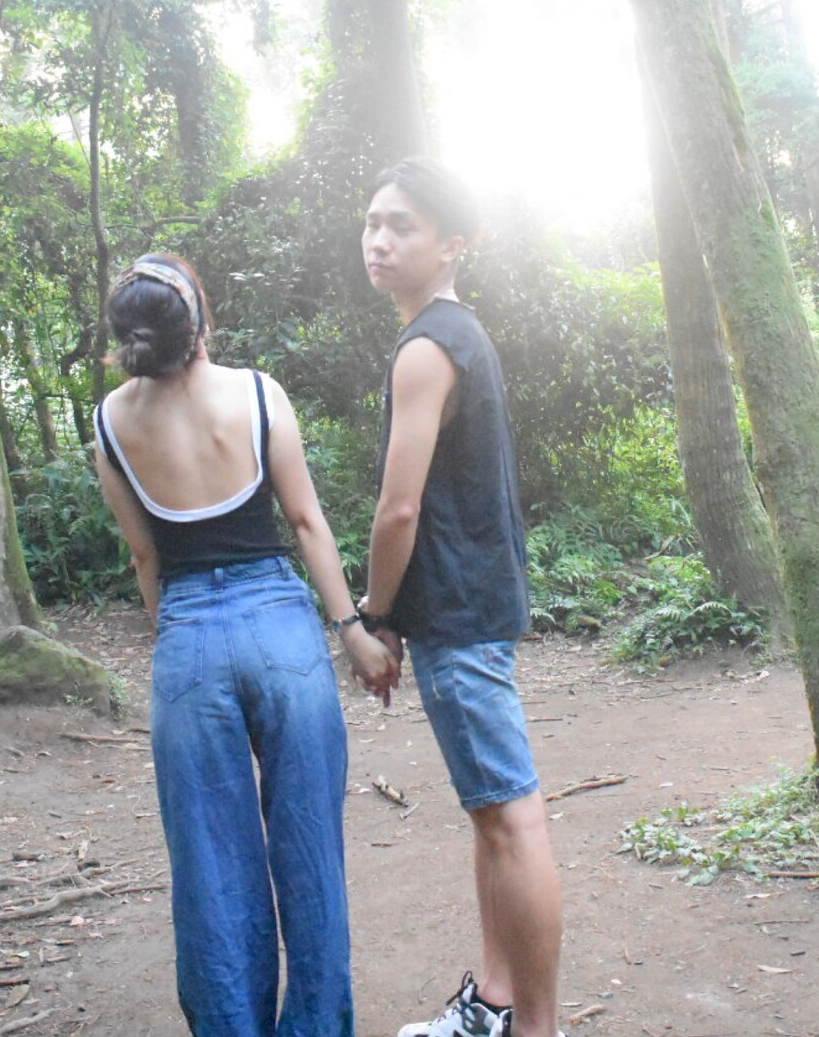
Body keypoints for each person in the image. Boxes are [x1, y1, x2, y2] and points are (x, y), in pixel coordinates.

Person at [93, 253, 399, 1037]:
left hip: (190, 636)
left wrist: (177, 635)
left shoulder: (110, 423)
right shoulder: (258, 394)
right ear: (199, 319)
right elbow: (305, 522)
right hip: (280, 628)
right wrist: (353, 632)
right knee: (310, 851)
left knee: (211, 869)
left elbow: (145, 557)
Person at [358, 161, 565, 1037]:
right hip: (475, 605)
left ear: (452, 244)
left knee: (512, 820)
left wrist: (374, 615)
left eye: (401, 225)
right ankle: (494, 1006)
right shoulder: (459, 333)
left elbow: (398, 508)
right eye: (372, 222)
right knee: (493, 819)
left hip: (457, 612)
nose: (378, 239)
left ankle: (537, 1027)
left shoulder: (427, 348)